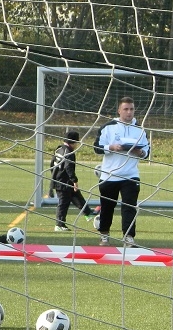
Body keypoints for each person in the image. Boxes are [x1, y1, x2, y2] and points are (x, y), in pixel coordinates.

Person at [93, 97, 150, 247]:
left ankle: (128, 238)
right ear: (119, 110)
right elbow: (97, 148)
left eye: (131, 109)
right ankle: (104, 235)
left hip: (130, 176)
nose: (129, 112)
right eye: (126, 109)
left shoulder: (140, 129)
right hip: (109, 175)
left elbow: (147, 151)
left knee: (129, 207)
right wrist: (111, 148)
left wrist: (141, 152)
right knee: (107, 207)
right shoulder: (108, 127)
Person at [51, 130, 94, 231]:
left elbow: (52, 164)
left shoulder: (59, 149)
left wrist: (54, 176)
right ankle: (59, 224)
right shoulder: (69, 152)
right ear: (73, 142)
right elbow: (68, 167)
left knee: (76, 195)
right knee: (64, 202)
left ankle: (88, 213)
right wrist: (74, 180)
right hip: (63, 181)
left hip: (59, 179)